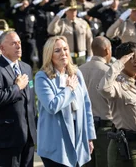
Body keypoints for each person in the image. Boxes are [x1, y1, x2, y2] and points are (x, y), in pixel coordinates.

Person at [35, 36, 96, 166]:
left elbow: (86, 106)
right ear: (49, 55)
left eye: (65, 49)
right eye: (57, 50)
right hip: (55, 140)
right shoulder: (42, 77)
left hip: (78, 136)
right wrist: (69, 89)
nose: (63, 53)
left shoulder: (76, 73)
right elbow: (51, 106)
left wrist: (89, 136)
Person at [0, 31, 37, 167]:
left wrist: (34, 127)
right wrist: (17, 87)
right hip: (8, 138)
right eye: (13, 43)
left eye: (19, 42)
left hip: (28, 137)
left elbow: (30, 102)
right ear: (2, 48)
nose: (18, 46)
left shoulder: (26, 68)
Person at [79, 36, 113, 167]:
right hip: (105, 129)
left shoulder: (79, 70)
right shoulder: (110, 72)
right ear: (106, 51)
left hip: (84, 129)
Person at [47, 0, 93, 66]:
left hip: (82, 57)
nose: (73, 12)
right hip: (67, 56)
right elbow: (50, 30)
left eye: (75, 10)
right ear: (65, 11)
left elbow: (89, 40)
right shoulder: (61, 23)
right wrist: (57, 17)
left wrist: (90, 55)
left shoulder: (83, 23)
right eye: (70, 10)